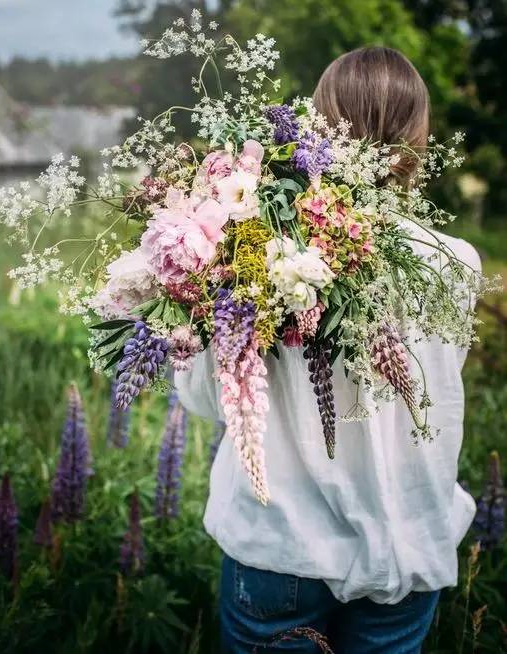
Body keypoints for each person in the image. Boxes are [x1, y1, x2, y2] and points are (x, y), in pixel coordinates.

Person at [174, 47, 481, 653]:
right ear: (420, 138)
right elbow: (427, 395)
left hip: (282, 546)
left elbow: (208, 399)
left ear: (318, 125)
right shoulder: (458, 263)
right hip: (406, 544)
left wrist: (187, 294)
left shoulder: (256, 250)